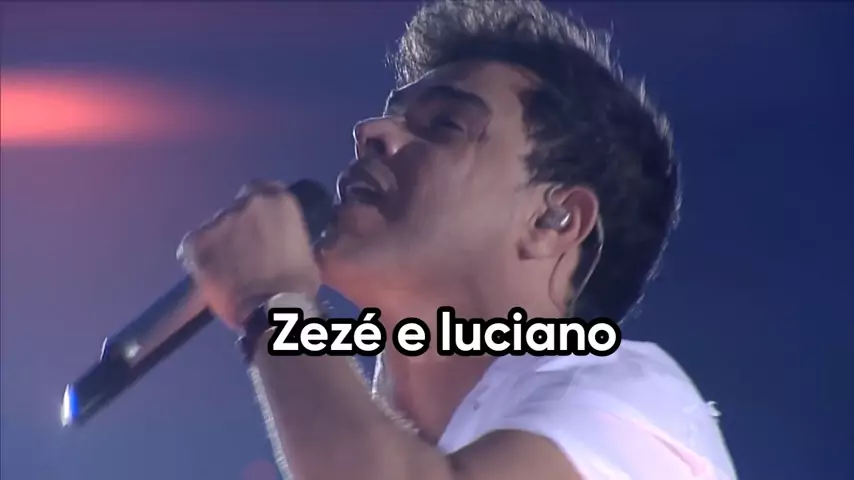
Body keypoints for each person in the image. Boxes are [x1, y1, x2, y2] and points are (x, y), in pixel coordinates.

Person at [177, 0, 738, 478]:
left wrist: (275, 301)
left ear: (555, 221)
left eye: (445, 124)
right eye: (391, 116)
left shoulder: (633, 400)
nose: (371, 132)